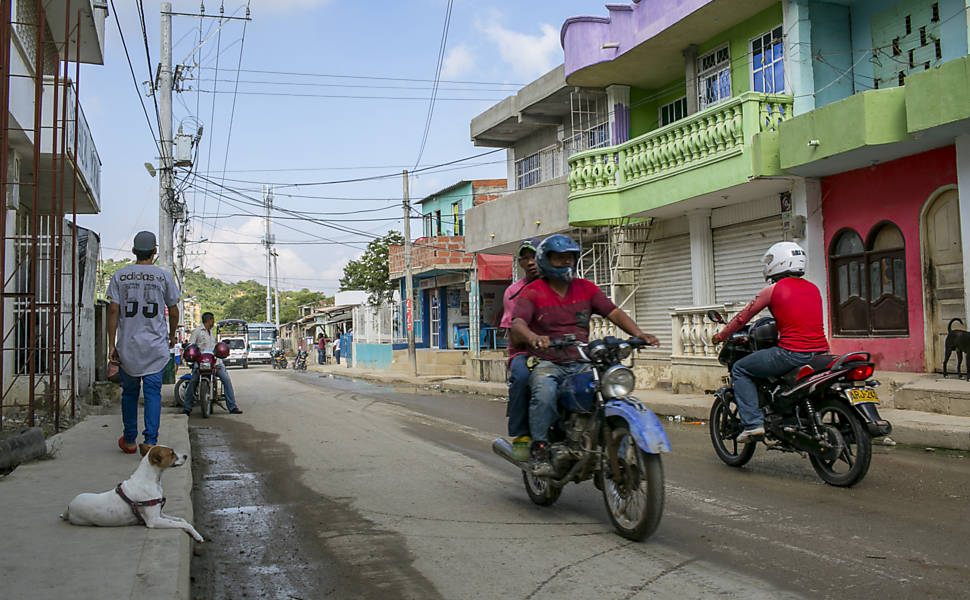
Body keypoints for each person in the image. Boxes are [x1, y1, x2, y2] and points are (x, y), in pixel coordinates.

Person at [511, 234, 659, 475]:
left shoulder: (586, 288)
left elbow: (614, 313)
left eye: (569, 257)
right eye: (559, 258)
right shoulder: (533, 292)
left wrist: (639, 334)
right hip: (549, 361)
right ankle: (539, 447)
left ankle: (602, 443)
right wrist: (533, 338)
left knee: (606, 392)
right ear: (546, 260)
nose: (565, 262)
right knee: (545, 392)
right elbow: (517, 324)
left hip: (582, 361)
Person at [711, 241, 829, 443]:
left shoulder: (773, 290)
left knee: (740, 369)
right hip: (821, 353)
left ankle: (754, 424)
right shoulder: (814, 288)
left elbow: (743, 317)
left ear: (778, 263)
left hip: (791, 353)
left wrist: (720, 335)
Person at [106, 231, 180, 453]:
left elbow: (113, 309)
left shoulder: (120, 276)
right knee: (152, 393)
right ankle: (150, 441)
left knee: (129, 393)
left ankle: (129, 440)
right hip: (155, 346)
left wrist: (113, 344)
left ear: (134, 251)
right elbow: (174, 311)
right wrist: (172, 335)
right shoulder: (163, 276)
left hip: (128, 346)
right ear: (155, 251)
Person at [501, 238, 541, 461]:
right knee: (522, 376)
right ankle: (521, 434)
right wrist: (534, 339)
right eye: (525, 257)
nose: (530, 262)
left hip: (560, 351)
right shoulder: (513, 292)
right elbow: (513, 333)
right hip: (525, 352)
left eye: (534, 256)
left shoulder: (558, 285)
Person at [183, 312, 243, 415]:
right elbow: (191, 346)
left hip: (215, 361)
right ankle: (187, 408)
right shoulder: (197, 331)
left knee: (226, 380)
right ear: (209, 320)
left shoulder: (211, 331)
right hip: (201, 361)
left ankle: (232, 407)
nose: (213, 322)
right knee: (193, 381)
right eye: (212, 320)